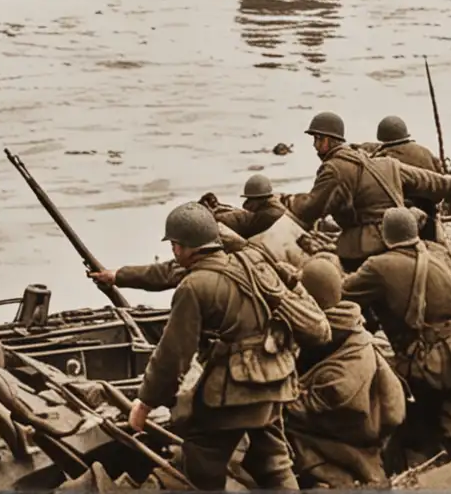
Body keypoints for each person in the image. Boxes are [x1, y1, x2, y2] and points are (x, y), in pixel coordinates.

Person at [126, 202, 329, 491]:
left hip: (235, 390)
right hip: (275, 381)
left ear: (183, 247)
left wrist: (145, 403)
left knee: (202, 456)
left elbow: (173, 356)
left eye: (175, 245)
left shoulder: (193, 286)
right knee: (272, 458)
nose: (173, 251)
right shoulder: (251, 261)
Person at [341, 208, 451, 462]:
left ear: (384, 236)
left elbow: (339, 293)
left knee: (438, 433)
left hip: (436, 363)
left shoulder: (378, 266)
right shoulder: (439, 251)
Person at [284, 111, 451, 271]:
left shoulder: (334, 169)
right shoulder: (386, 164)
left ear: (326, 140)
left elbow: (311, 209)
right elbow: (434, 183)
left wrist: (287, 201)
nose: (315, 146)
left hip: (364, 247)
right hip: (404, 234)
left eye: (317, 139)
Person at [284, 255, 394, 487]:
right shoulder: (349, 325)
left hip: (344, 434)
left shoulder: (336, 361)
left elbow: (305, 408)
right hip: (354, 423)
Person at [206, 173, 285, 238]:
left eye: (249, 200)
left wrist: (214, 216)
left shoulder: (265, 216)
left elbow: (244, 224)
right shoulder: (279, 206)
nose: (246, 204)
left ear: (256, 200)